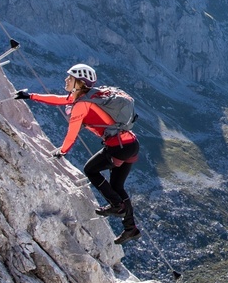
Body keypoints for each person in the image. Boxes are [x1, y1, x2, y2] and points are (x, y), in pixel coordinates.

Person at [16, 64, 141, 244]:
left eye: (70, 78)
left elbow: (72, 132)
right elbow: (60, 99)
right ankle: (131, 229)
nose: (66, 80)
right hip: (130, 143)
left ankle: (117, 206)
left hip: (118, 147)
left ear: (79, 83)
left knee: (90, 170)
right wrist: (31, 96)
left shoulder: (82, 105)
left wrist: (63, 151)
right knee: (117, 186)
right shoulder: (91, 96)